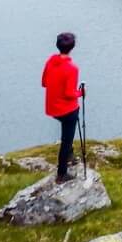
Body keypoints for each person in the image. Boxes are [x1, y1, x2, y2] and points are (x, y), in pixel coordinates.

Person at [42, 31, 86, 183]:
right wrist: (80, 93)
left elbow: (44, 83)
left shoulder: (50, 61)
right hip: (67, 110)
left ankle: (70, 155)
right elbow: (69, 93)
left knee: (66, 133)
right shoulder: (72, 68)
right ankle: (62, 174)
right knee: (66, 141)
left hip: (52, 108)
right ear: (72, 47)